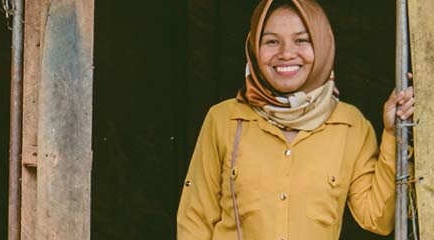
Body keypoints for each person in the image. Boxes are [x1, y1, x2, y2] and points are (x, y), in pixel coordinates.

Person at [176, 0, 416, 239]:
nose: (286, 53)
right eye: (272, 41)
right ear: (254, 49)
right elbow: (195, 221)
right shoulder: (224, 119)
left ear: (322, 45)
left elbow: (377, 218)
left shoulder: (350, 125)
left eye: (302, 40)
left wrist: (394, 133)